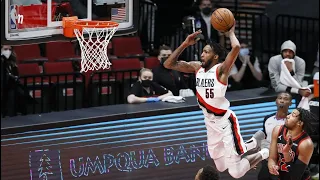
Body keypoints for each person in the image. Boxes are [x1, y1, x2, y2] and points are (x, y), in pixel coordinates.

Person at [164, 22, 268, 178]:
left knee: (236, 172)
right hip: (210, 123)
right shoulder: (196, 67)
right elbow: (168, 64)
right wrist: (185, 43)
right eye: (202, 52)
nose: (202, 55)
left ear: (216, 56)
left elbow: (236, 48)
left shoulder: (221, 70)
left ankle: (265, 151)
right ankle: (252, 143)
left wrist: (231, 33)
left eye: (206, 52)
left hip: (225, 122)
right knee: (220, 167)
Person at [268, 108, 317, 180]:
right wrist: (272, 166)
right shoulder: (277, 130)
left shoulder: (306, 144)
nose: (288, 116)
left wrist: (286, 153)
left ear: (299, 123)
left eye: (293, 115)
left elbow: (295, 177)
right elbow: (272, 158)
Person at [258, 92, 292, 180]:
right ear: (276, 101)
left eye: (285, 99)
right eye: (280, 98)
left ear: (290, 103)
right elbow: (264, 137)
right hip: (267, 157)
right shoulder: (267, 118)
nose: (282, 100)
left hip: (283, 159)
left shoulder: (292, 121)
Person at [1, 45, 35, 116]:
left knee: (20, 93)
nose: (8, 51)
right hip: (4, 87)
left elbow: (16, 74)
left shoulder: (12, 62)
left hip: (12, 86)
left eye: (10, 49)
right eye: (5, 49)